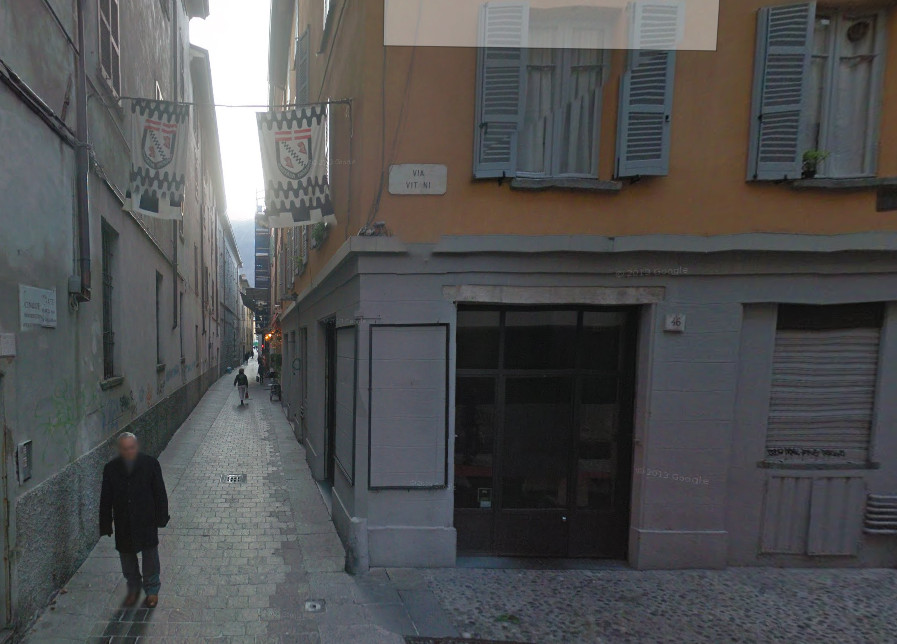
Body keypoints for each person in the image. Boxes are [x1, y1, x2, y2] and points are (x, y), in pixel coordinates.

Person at [99, 432, 169, 608]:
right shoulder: (111, 468)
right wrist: (105, 523)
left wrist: (162, 516)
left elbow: (160, 492)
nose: (129, 452)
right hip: (124, 520)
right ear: (119, 450)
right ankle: (133, 588)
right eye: (125, 449)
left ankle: (152, 590)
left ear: (136, 447)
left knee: (150, 556)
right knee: (127, 557)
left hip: (146, 518)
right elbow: (106, 498)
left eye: (131, 448)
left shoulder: (150, 464)